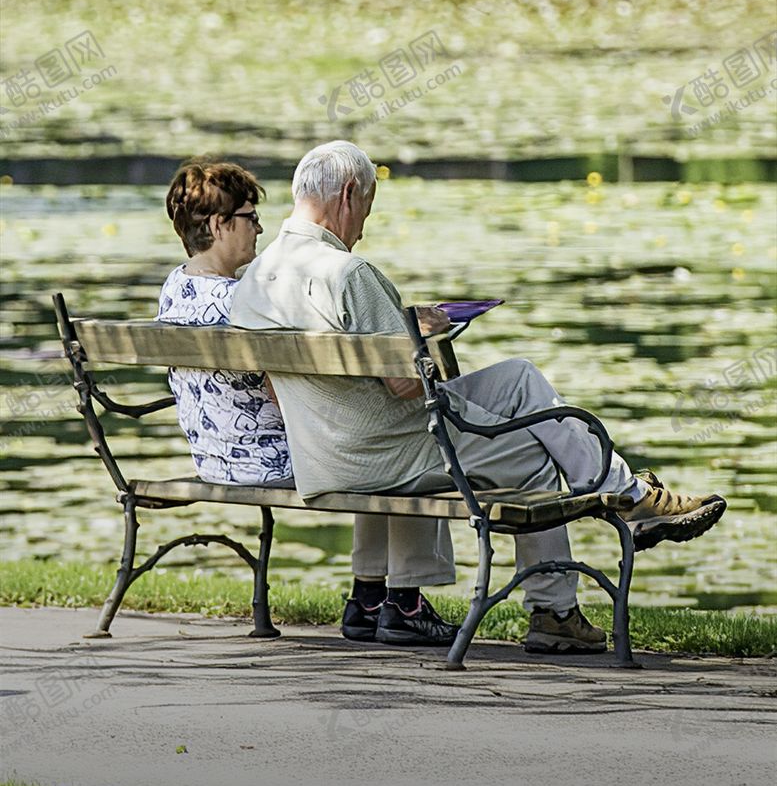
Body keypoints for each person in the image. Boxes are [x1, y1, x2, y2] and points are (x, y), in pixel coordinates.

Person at [230, 140, 727, 656]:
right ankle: (556, 611)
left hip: (324, 456)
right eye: (367, 210)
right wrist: (428, 333)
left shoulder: (254, 279)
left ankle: (627, 493)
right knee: (535, 454)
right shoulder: (348, 273)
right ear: (349, 193)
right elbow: (407, 384)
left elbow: (277, 385)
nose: (362, 229)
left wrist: (399, 334)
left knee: (518, 378)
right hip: (391, 452)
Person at [157, 160, 292, 485]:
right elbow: (286, 396)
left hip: (213, 464)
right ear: (219, 225)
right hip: (277, 464)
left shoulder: (173, 287)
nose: (259, 229)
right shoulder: (244, 301)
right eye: (251, 218)